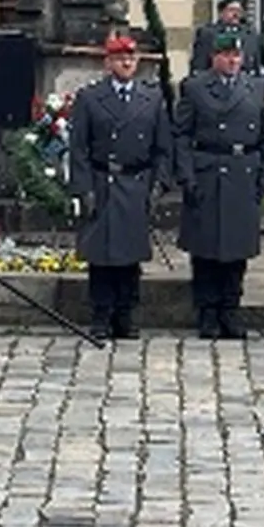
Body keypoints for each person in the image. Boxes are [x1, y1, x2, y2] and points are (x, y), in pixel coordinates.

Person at [174, 31, 264, 339]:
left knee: (236, 250)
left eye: (237, 55)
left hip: (242, 172)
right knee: (205, 250)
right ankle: (207, 312)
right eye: (227, 55)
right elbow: (181, 134)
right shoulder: (195, 88)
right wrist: (187, 176)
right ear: (214, 57)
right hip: (208, 170)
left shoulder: (255, 88)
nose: (233, 61)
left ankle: (230, 310)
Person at [66, 34, 170, 340]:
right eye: (120, 58)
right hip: (103, 181)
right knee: (102, 257)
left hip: (136, 182)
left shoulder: (151, 99)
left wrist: (159, 184)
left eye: (131, 58)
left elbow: (162, 147)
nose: (127, 63)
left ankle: (125, 315)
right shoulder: (90, 97)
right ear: (108, 62)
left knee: (129, 257)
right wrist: (83, 188)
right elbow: (79, 148)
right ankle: (101, 315)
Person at [190, 0, 262, 75]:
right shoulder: (208, 33)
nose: (236, 14)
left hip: (245, 81)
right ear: (221, 13)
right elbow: (200, 63)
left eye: (239, 11)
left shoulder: (250, 34)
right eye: (231, 10)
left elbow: (256, 63)